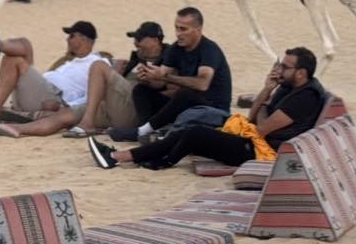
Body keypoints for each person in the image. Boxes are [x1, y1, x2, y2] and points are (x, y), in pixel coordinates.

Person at [89, 47, 322, 170]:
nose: (280, 69)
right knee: (189, 131)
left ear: (301, 73)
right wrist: (266, 90)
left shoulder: (304, 98)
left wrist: (266, 106)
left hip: (258, 151)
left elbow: (260, 129)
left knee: (194, 133)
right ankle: (134, 157)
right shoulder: (286, 87)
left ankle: (137, 158)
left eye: (286, 67)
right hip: (251, 140)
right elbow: (253, 117)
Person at [0, 22, 167, 139]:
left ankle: (87, 124)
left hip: (134, 107)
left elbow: (167, 90)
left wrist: (153, 79)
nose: (135, 43)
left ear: (154, 40)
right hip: (111, 106)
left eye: (139, 39)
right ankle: (17, 129)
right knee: (64, 117)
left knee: (97, 66)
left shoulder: (167, 59)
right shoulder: (135, 60)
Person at [106, 7, 232, 143]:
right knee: (141, 90)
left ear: (198, 29)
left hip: (214, 110)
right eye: (176, 28)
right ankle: (146, 133)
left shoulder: (209, 49)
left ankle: (142, 131)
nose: (178, 34)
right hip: (186, 107)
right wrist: (149, 77)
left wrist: (164, 76)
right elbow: (160, 82)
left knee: (184, 93)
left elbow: (202, 84)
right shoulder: (176, 49)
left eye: (183, 29)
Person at [0, 21, 107, 126]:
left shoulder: (98, 62)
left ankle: (0, 45)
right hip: (40, 93)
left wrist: (66, 107)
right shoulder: (69, 61)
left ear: (84, 39)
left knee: (15, 59)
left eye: (71, 36)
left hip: (53, 100)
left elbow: (98, 93)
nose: (67, 40)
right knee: (22, 47)